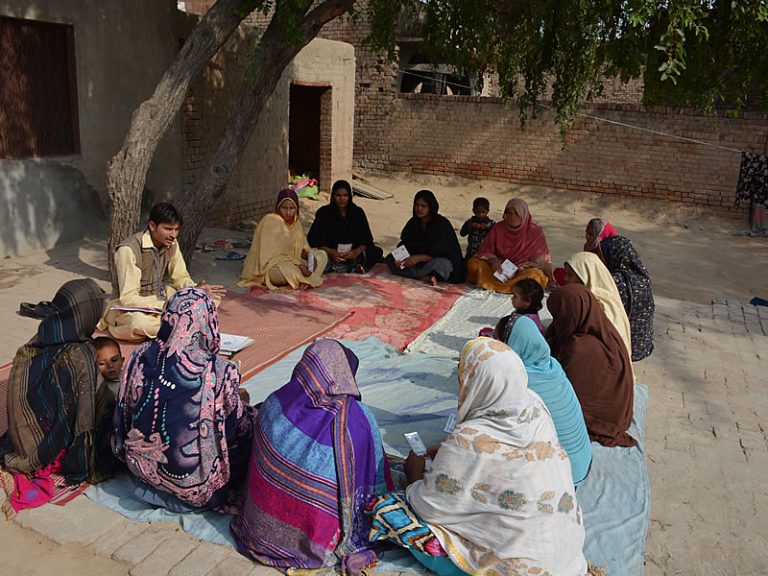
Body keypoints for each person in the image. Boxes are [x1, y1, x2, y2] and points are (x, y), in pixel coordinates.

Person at [368, 337, 588, 576]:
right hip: (568, 561)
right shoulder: (536, 407)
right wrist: (452, 452)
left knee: (387, 509)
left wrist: (414, 474)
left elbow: (430, 507)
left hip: (518, 569)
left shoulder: (471, 438)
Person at [231, 339, 391, 575]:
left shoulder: (275, 403)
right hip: (318, 541)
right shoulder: (356, 420)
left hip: (258, 532)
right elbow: (372, 480)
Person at [112, 287, 255, 512]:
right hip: (195, 487)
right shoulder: (220, 370)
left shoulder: (139, 355)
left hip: (139, 469)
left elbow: (124, 413)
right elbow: (233, 430)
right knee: (251, 429)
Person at [2, 279, 116, 514]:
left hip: (24, 438)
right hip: (55, 451)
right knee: (117, 424)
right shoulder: (81, 355)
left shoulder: (35, 342)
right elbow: (86, 419)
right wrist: (82, 468)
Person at [98, 202, 226, 342]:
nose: (173, 235)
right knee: (139, 323)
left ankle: (176, 323)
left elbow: (180, 277)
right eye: (168, 229)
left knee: (211, 299)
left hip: (161, 299)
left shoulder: (171, 243)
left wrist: (195, 290)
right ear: (152, 226)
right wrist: (167, 305)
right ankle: (180, 323)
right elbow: (128, 298)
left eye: (176, 229)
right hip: (133, 308)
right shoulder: (128, 250)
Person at [494, 314, 592, 486]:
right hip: (581, 462)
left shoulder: (519, 380)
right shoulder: (551, 365)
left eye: (497, 341)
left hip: (560, 477)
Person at [546, 284, 636, 447]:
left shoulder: (582, 348)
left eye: (559, 314)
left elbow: (564, 396)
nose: (557, 320)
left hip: (598, 416)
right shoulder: (595, 324)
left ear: (572, 312)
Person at [238, 188, 328, 290]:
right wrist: (298, 266)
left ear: (297, 208)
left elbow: (303, 248)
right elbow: (268, 259)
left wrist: (310, 258)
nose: (288, 212)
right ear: (278, 207)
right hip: (271, 268)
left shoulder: (296, 224)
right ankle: (305, 279)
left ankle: (302, 280)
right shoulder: (271, 221)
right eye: (284, 208)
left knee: (321, 255)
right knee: (289, 270)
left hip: (293, 262)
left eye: (292, 208)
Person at [467, 198, 552, 293]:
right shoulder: (498, 228)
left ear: (524, 215)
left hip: (522, 271)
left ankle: (495, 286)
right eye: (509, 213)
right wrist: (493, 259)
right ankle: (512, 288)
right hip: (499, 269)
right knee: (473, 264)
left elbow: (542, 262)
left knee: (535, 277)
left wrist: (523, 266)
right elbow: (485, 250)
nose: (512, 217)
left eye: (516, 213)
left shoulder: (535, 232)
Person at [561, 251, 633, 362]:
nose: (565, 278)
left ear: (585, 277)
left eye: (570, 275)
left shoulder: (603, 306)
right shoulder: (584, 299)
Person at [385, 190, 465, 285]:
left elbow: (446, 252)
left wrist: (419, 258)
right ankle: (423, 277)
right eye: (417, 205)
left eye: (423, 206)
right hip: (414, 263)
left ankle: (418, 275)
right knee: (391, 259)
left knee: (443, 265)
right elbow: (406, 244)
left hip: (433, 262)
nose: (419, 209)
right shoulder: (413, 223)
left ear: (431, 207)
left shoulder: (442, 224)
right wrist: (401, 258)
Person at [307, 179, 384, 274]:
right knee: (315, 259)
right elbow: (313, 239)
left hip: (353, 254)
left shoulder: (358, 212)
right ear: (333, 196)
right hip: (331, 255)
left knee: (376, 252)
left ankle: (347, 266)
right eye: (338, 195)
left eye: (345, 195)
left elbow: (367, 239)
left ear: (350, 196)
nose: (342, 199)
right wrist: (331, 252)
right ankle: (351, 268)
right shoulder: (324, 213)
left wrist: (355, 252)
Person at [600, 235, 655, 361]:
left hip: (625, 349)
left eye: (603, 255)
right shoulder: (643, 276)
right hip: (644, 346)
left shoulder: (616, 280)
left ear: (612, 255)